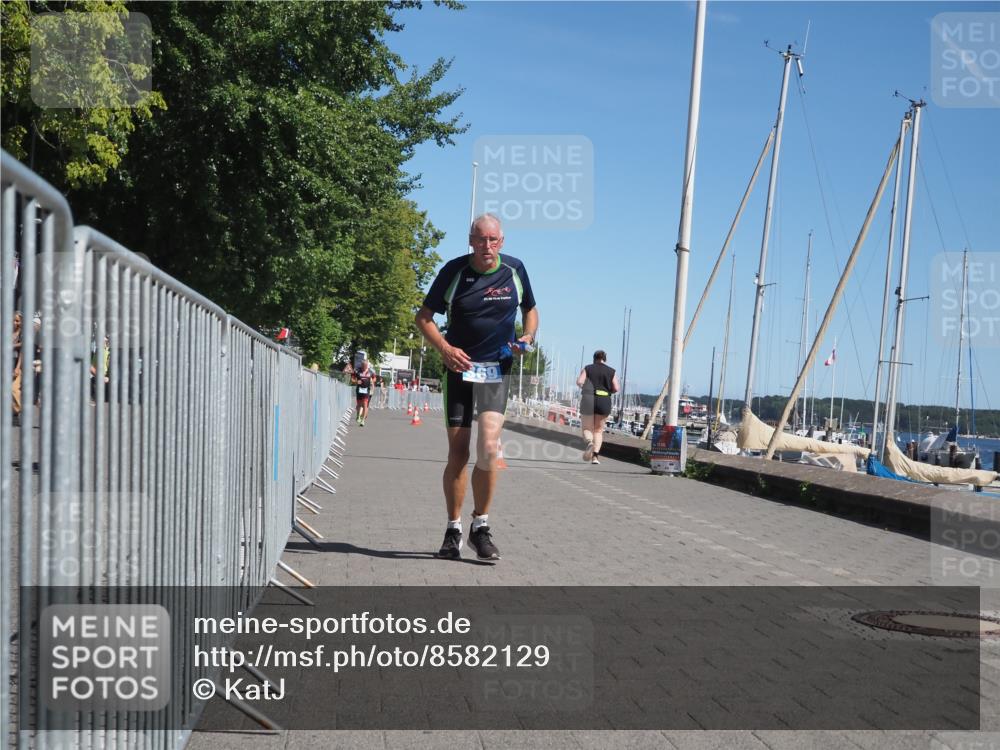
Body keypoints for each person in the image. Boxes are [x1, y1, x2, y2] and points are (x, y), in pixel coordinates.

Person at [415, 213, 537, 562]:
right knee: (458, 454)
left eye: (493, 240)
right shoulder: (454, 271)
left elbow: (531, 310)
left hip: (496, 370)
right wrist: (445, 349)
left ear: (502, 241)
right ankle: (453, 530)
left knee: (489, 449)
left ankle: (480, 527)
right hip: (459, 371)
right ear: (471, 241)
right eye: (481, 239)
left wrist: (527, 336)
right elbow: (423, 317)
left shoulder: (515, 269)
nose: (487, 246)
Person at [576, 350, 620, 464]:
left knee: (587, 428)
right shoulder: (611, 371)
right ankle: (595, 457)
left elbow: (579, 382)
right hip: (604, 400)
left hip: (588, 399)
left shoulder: (588, 368)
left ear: (594, 359)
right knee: (598, 430)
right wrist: (608, 390)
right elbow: (616, 388)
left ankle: (589, 443)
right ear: (605, 359)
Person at [352, 359, 376, 426]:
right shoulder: (357, 371)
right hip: (359, 390)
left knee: (365, 404)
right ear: (361, 365)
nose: (365, 367)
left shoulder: (371, 371)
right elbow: (352, 379)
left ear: (367, 365)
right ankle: (358, 416)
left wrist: (372, 381)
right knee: (359, 404)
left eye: (366, 365)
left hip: (366, 390)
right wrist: (356, 381)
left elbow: (374, 378)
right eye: (363, 366)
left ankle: (363, 420)